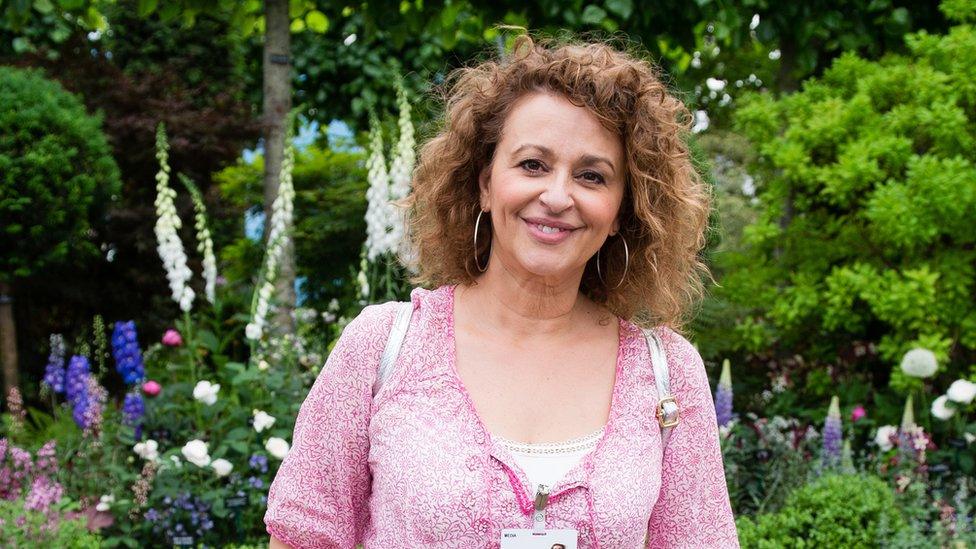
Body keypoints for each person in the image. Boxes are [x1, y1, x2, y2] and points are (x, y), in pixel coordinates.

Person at [265, 34, 738, 548]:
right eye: (533, 164)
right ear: (484, 184)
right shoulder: (383, 348)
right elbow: (302, 538)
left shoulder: (666, 374)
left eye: (592, 176)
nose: (557, 196)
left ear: (624, 210)